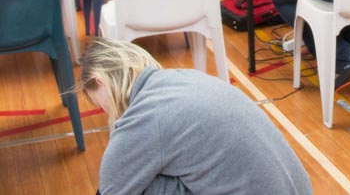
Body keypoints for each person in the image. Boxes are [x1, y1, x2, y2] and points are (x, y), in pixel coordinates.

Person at [78, 38, 312, 195]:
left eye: (101, 104)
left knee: (143, 186)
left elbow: (109, 190)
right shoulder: (185, 78)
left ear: (101, 81)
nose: (107, 113)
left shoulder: (145, 116)